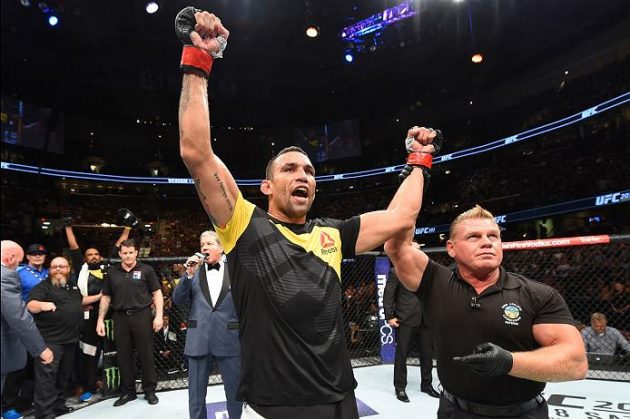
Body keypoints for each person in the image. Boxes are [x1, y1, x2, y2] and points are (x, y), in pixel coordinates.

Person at [176, 7, 436, 417]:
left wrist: (419, 160)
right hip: (280, 403)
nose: (304, 176)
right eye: (291, 169)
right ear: (266, 186)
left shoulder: (332, 234)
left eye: (311, 171)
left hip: (340, 394)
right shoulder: (242, 222)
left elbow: (401, 216)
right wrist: (199, 60)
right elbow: (196, 151)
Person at [384, 200, 588, 418]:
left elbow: (575, 363)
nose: (487, 243)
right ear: (451, 248)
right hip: (455, 411)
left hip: (522, 414)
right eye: (474, 237)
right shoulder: (436, 283)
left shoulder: (538, 294)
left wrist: (509, 362)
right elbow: (395, 244)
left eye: (493, 236)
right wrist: (419, 169)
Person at [172, 230, 241, 419]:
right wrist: (187, 274)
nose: (204, 247)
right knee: (195, 395)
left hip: (229, 338)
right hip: (198, 340)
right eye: (202, 245)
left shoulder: (236, 270)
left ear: (221, 247)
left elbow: (248, 302)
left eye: (210, 244)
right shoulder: (192, 273)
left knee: (235, 392)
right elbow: (177, 300)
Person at [63, 214, 132, 402]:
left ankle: (118, 385)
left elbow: (119, 245)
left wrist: (127, 228)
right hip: (89, 317)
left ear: (99, 256)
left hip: (110, 316)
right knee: (89, 353)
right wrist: (68, 228)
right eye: (89, 255)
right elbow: (74, 248)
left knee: (115, 351)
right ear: (85, 258)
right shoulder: (81, 269)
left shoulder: (107, 267)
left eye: (96, 254)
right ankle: (89, 386)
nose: (93, 257)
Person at [96, 239, 163, 407]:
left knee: (146, 353)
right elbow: (106, 297)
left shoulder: (147, 270)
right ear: (120, 254)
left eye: (130, 252)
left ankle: (150, 391)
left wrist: (159, 315)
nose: (127, 256)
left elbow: (157, 293)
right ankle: (128, 392)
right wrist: (100, 320)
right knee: (123, 355)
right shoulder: (112, 272)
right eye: (124, 253)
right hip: (120, 317)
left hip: (142, 315)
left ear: (136, 253)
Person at [26, 256, 84, 418]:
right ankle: (44, 413)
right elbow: (30, 305)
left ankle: (58, 405)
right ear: (50, 270)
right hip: (50, 341)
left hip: (70, 339)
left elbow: (78, 302)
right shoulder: (43, 287)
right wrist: (43, 305)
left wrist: (100, 296)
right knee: (46, 378)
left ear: (68, 269)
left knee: (63, 376)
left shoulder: (72, 287)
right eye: (54, 267)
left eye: (61, 267)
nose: (58, 269)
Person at [3, 243, 52, 419]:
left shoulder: (49, 273)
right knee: (17, 365)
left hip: (45, 326)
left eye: (41, 254)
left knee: (35, 367)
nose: (38, 256)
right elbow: (14, 308)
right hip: (22, 325)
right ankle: (8, 405)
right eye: (33, 254)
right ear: (28, 257)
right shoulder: (17, 273)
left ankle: (27, 400)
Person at [383, 248, 439, 403]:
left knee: (427, 354)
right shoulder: (396, 272)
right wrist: (389, 316)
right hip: (405, 318)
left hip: (426, 319)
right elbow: (388, 295)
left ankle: (427, 385)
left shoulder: (427, 272)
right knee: (402, 354)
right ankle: (400, 388)